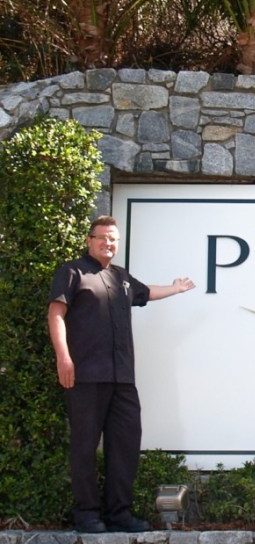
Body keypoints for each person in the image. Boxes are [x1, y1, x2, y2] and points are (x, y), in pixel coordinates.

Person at [48, 215, 195, 533]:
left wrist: (175, 288)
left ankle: (119, 514)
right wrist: (64, 357)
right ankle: (86, 514)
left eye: (113, 238)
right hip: (85, 376)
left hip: (122, 379)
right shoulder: (73, 272)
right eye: (102, 237)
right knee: (85, 447)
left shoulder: (121, 278)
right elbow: (56, 313)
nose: (108, 243)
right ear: (90, 240)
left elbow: (145, 293)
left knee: (125, 445)